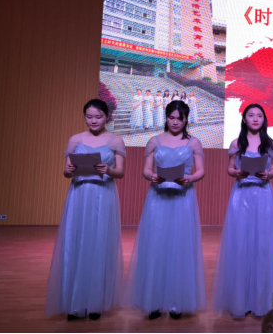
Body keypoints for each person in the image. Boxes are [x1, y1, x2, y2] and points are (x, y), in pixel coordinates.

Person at [46, 99, 126, 321]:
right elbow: (66, 172)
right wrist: (69, 169)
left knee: (98, 244)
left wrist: (108, 169)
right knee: (75, 243)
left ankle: (94, 303)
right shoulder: (75, 139)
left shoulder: (115, 140)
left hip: (103, 195)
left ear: (107, 116)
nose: (93, 121)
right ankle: (74, 304)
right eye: (89, 117)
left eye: (98, 117)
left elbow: (120, 173)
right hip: (79, 195)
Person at [126, 101, 206, 320]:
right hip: (158, 197)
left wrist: (190, 178)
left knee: (180, 245)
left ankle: (176, 302)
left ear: (186, 119)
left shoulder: (194, 142)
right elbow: (146, 170)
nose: (175, 122)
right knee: (156, 243)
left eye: (180, 118)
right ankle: (153, 301)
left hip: (183, 197)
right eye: (171, 117)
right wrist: (152, 176)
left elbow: (201, 171)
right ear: (166, 117)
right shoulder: (154, 141)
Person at [212, 104, 273, 319]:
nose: (255, 118)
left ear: (264, 120)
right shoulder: (237, 143)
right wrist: (237, 172)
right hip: (241, 194)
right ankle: (240, 300)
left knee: (263, 245)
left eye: (259, 115)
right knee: (240, 243)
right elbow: (229, 168)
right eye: (251, 115)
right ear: (244, 119)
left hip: (263, 194)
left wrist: (268, 174)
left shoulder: (270, 143)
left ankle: (261, 301)